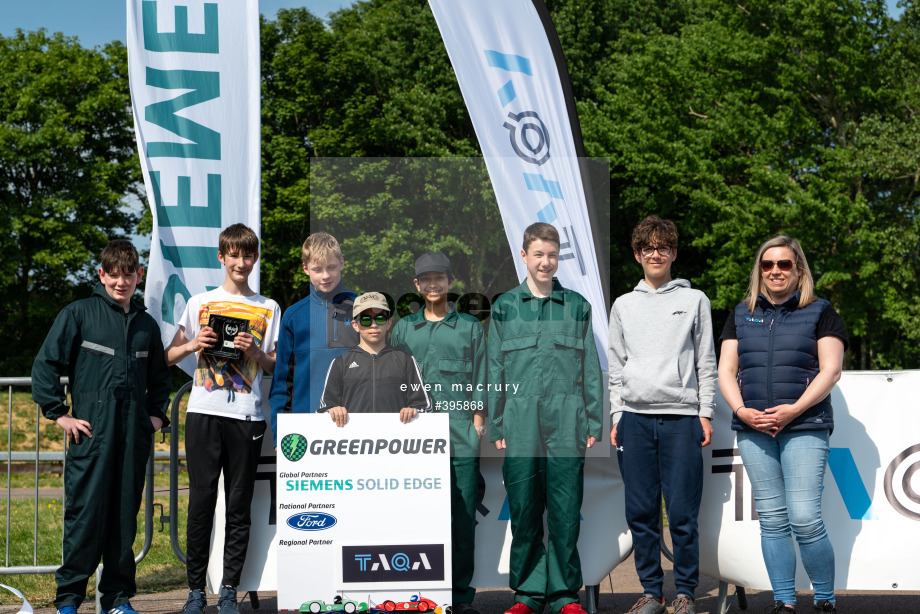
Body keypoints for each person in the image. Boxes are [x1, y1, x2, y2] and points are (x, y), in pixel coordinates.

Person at [32, 240, 171, 614]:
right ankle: (69, 601)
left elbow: (160, 380)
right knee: (85, 518)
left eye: (129, 274)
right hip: (91, 436)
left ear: (138, 276)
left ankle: (117, 599)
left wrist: (155, 417)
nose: (121, 282)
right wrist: (59, 414)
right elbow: (44, 366)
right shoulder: (78, 314)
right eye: (114, 274)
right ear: (101, 275)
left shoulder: (146, 325)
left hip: (132, 439)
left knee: (124, 520)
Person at [718, 235, 847, 614]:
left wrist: (794, 409)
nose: (775, 271)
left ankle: (825, 599)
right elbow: (726, 370)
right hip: (753, 428)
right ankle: (784, 602)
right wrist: (741, 412)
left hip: (806, 424)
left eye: (785, 264)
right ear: (759, 270)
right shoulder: (741, 312)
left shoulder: (821, 311)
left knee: (805, 517)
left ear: (799, 269)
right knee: (773, 520)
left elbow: (832, 370)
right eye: (768, 264)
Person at [488, 223, 603, 614]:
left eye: (551, 255)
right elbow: (494, 369)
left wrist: (592, 420)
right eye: (538, 254)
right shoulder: (504, 307)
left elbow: (590, 367)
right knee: (523, 507)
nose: (545, 262)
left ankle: (564, 595)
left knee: (566, 509)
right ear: (524, 256)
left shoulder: (576, 306)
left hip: (567, 420)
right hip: (519, 421)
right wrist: (497, 422)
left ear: (558, 258)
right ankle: (527, 594)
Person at [165, 224, 280, 614]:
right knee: (200, 503)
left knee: (239, 505)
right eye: (234, 255)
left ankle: (229, 588)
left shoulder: (268, 307)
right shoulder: (199, 302)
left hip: (246, 415)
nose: (241, 263)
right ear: (221, 257)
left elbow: (276, 364)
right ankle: (196, 590)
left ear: (254, 259)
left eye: (248, 256)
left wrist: (257, 354)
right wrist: (194, 343)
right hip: (204, 412)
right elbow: (169, 354)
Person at [608, 216, 717, 614]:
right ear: (638, 255)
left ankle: (686, 591)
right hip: (634, 420)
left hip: (683, 419)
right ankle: (652, 592)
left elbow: (707, 362)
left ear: (673, 253)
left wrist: (705, 412)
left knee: (684, 513)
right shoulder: (622, 304)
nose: (656, 254)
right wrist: (617, 414)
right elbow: (617, 366)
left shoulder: (695, 301)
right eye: (649, 248)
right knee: (641, 512)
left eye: (664, 247)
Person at [391, 252, 486, 614]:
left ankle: (459, 596)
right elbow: (393, 381)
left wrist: (478, 422)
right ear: (416, 285)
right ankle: (419, 594)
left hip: (460, 434)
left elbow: (480, 379)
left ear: (450, 282)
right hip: (413, 439)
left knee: (462, 516)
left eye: (439, 278)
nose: (433, 284)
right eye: (425, 279)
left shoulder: (469, 327)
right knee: (415, 515)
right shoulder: (403, 329)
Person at [269, 232, 358, 441]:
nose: (325, 276)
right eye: (318, 269)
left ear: (342, 263)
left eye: (331, 267)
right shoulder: (293, 315)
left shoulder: (362, 309)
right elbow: (283, 382)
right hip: (304, 427)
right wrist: (279, 434)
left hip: (355, 425)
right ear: (305, 268)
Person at [319, 291, 431, 420]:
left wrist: (413, 411)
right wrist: (333, 410)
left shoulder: (406, 361)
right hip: (354, 439)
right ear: (355, 325)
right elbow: (324, 409)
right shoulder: (340, 363)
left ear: (389, 323)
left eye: (380, 319)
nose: (373, 325)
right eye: (366, 320)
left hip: (396, 439)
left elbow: (425, 407)